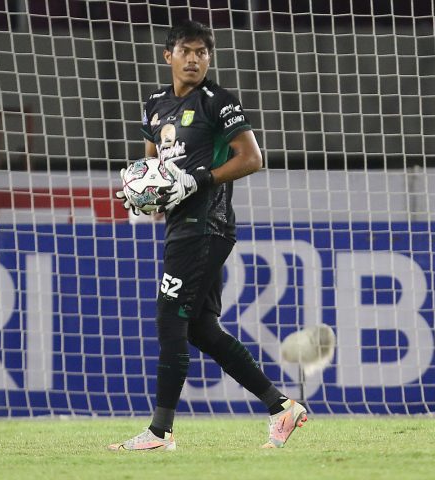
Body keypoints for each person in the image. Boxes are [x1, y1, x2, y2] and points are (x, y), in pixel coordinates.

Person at [109, 19, 307, 451]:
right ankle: (281, 408)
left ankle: (160, 433)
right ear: (168, 56)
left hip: (207, 223)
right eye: (186, 51)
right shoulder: (156, 104)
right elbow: (152, 163)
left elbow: (252, 158)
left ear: (208, 58)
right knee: (200, 329)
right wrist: (142, 194)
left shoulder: (218, 102)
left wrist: (198, 180)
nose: (194, 59)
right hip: (181, 226)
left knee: (169, 318)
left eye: (202, 52)